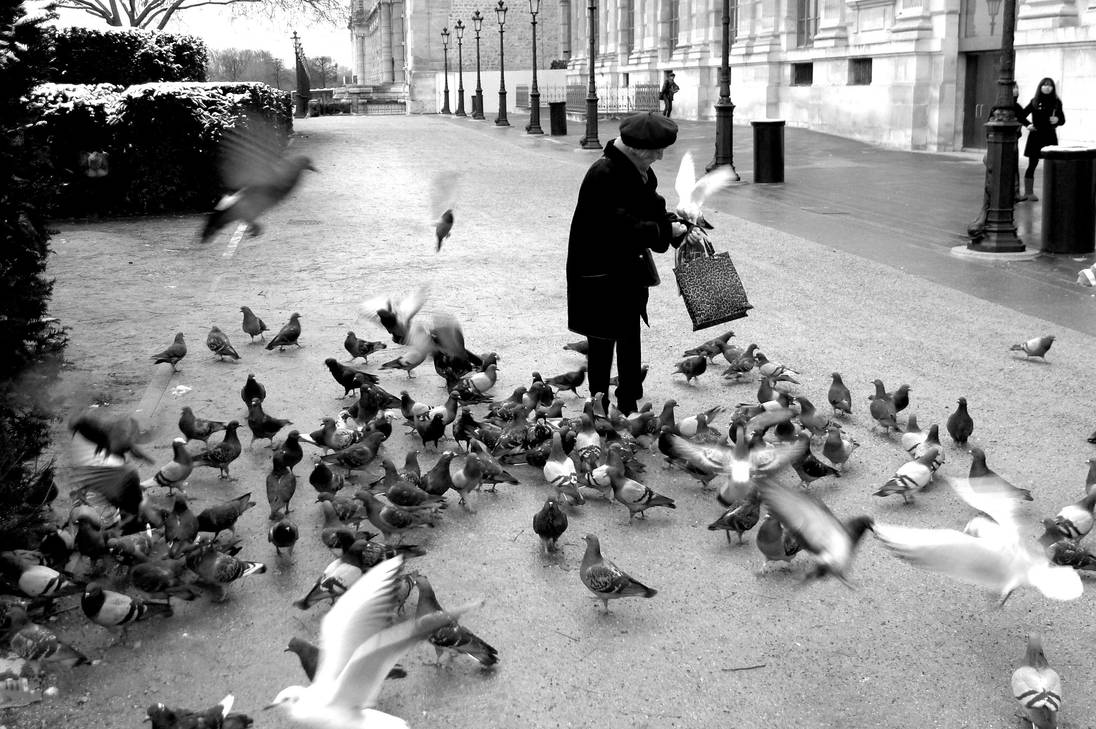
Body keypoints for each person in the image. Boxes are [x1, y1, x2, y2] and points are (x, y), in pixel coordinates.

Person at [566, 112, 688, 415]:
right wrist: (662, 231)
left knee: (629, 334)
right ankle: (598, 405)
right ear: (635, 148)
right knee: (602, 341)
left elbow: (652, 209)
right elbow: (619, 227)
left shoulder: (638, 171)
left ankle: (629, 398)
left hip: (625, 271)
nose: (660, 156)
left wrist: (675, 224)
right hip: (599, 273)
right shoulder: (603, 173)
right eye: (656, 150)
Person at [1020, 77, 1065, 202]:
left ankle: (1054, 192)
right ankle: (1029, 193)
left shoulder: (1057, 102)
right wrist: (1028, 125)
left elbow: (1062, 120)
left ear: (1053, 88)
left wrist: (1057, 120)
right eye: (1044, 85)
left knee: (1053, 165)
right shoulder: (1034, 101)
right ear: (1040, 87)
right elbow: (1021, 115)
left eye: (1050, 85)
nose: (1047, 87)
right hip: (1036, 137)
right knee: (1032, 164)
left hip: (1050, 137)